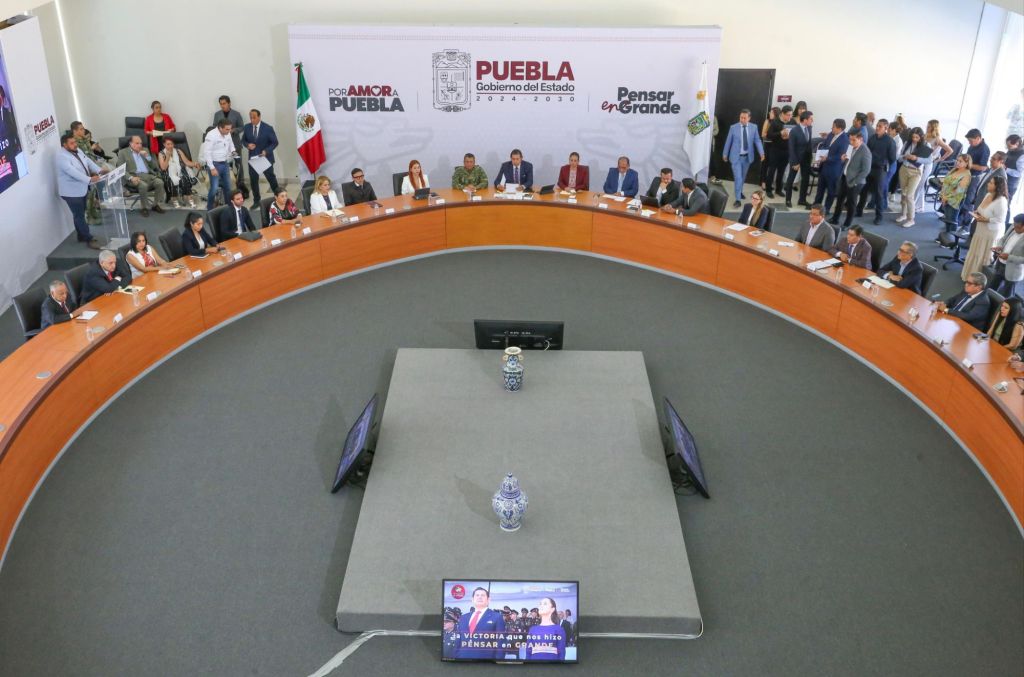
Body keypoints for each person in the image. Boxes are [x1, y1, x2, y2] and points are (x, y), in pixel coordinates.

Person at [56, 132, 104, 249]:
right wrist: (89, 179)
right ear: (64, 145)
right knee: (79, 215)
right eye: (72, 143)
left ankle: (81, 235)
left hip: (81, 188)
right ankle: (88, 238)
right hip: (71, 192)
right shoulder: (61, 157)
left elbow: (88, 161)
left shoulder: (77, 150)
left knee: (79, 214)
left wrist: (100, 170)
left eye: (75, 142)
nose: (75, 144)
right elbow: (72, 172)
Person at [962, 176, 1009, 281]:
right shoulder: (988, 195)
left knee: (983, 254)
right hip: (980, 229)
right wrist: (977, 213)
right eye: (989, 182)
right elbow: (982, 209)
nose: (988, 184)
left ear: (998, 186)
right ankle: (969, 275)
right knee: (975, 251)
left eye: (991, 183)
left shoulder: (1001, 201)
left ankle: (979, 281)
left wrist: (986, 220)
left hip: (990, 232)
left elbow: (1000, 219)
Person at [722, 109, 765, 207]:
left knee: (743, 177)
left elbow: (757, 140)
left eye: (744, 118)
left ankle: (739, 191)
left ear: (749, 118)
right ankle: (738, 199)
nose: (742, 119)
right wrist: (725, 154)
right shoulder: (733, 127)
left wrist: (761, 153)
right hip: (736, 158)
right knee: (738, 178)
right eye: (741, 117)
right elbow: (728, 141)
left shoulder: (754, 127)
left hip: (747, 158)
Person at [860, 119, 898, 225]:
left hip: (881, 169)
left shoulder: (890, 141)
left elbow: (892, 158)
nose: (877, 128)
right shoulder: (872, 138)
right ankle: (859, 211)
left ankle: (879, 216)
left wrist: (882, 161)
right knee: (864, 190)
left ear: (886, 128)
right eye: (877, 125)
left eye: (880, 126)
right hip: (870, 168)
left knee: (879, 193)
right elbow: (867, 151)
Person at [116, 135, 167, 216]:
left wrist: (147, 156)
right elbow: (120, 169)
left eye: (141, 143)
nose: (140, 145)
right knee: (143, 185)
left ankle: (155, 205)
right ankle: (144, 208)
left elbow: (154, 166)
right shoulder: (123, 152)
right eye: (137, 143)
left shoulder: (145, 150)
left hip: (148, 175)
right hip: (134, 177)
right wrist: (131, 178)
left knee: (160, 182)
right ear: (131, 143)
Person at [832, 131, 872, 229]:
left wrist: (854, 182)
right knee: (839, 200)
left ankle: (847, 224)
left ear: (861, 139)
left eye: (854, 140)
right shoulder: (851, 147)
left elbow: (866, 171)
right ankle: (835, 219)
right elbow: (848, 161)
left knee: (851, 203)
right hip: (845, 177)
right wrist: (843, 159)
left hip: (855, 182)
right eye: (850, 139)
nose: (851, 142)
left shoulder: (865, 152)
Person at [241, 109, 280, 208]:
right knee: (253, 181)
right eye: (250, 118)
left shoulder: (268, 128)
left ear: (259, 117)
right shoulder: (247, 127)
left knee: (271, 179)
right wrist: (248, 145)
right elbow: (243, 140)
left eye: (254, 117)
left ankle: (279, 197)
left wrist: (266, 151)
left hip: (265, 158)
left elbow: (275, 142)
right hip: (253, 159)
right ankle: (256, 201)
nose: (252, 120)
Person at [453, 587, 505, 660]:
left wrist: (497, 662)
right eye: (477, 595)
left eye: (482, 595)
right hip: (463, 659)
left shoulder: (497, 617)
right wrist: (456, 657)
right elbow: (458, 641)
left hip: (485, 661)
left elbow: (500, 643)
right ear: (472, 599)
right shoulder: (464, 617)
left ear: (488, 600)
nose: (479, 597)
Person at [895, 127, 931, 228]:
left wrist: (916, 158)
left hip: (916, 172)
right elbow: (899, 158)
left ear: (921, 137)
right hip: (904, 169)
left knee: (909, 196)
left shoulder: (926, 145)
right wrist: (904, 157)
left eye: (917, 137)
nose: (914, 139)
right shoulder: (907, 143)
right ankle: (903, 214)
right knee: (903, 194)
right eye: (913, 137)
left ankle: (911, 219)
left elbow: (929, 160)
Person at [812, 119, 850, 213]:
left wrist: (828, 158)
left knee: (831, 191)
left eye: (833, 127)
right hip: (824, 167)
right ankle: (816, 207)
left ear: (839, 128)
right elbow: (825, 145)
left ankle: (826, 209)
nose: (831, 128)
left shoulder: (845, 140)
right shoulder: (831, 134)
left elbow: (840, 156)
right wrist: (820, 154)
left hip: (834, 170)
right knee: (820, 189)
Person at [917, 120, 954, 213]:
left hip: (928, 163)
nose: (927, 128)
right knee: (919, 184)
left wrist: (940, 159)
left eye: (929, 126)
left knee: (920, 184)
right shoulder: (926, 136)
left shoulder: (937, 139)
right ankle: (920, 206)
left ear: (934, 128)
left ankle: (915, 205)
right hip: (921, 162)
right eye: (927, 126)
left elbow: (950, 150)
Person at [213, 94, 246, 193]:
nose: (222, 106)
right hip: (222, 146)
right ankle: (228, 184)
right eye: (221, 104)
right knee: (227, 165)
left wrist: (233, 130)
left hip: (235, 145)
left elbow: (242, 127)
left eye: (224, 103)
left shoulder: (236, 114)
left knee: (238, 164)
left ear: (229, 103)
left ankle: (241, 183)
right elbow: (214, 127)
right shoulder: (217, 114)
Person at [158, 136, 199, 208]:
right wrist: (167, 157)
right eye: (168, 144)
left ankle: (190, 200)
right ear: (164, 144)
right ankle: (175, 200)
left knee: (184, 179)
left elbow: (186, 162)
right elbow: (163, 168)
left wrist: (195, 164)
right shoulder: (161, 154)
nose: (170, 146)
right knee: (171, 181)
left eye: (171, 144)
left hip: (179, 172)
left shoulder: (178, 151)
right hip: (168, 174)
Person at [203, 119, 235, 210]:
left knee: (228, 187)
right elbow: (207, 153)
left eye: (230, 129)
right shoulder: (211, 135)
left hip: (225, 163)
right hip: (215, 164)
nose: (229, 131)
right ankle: (210, 209)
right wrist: (212, 168)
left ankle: (229, 208)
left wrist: (233, 151)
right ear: (220, 128)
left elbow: (231, 144)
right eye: (227, 129)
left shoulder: (227, 133)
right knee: (214, 188)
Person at [785, 110, 814, 208]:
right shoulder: (794, 131)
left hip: (806, 159)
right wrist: (795, 162)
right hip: (796, 159)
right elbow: (791, 148)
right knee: (791, 179)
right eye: (811, 119)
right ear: (805, 120)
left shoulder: (809, 128)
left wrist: (811, 158)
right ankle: (788, 200)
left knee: (805, 180)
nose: (812, 121)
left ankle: (802, 200)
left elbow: (808, 144)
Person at [991, 213, 1024, 297]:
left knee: (1006, 295)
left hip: (1013, 270)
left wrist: (1009, 257)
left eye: (1018, 227)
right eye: (1014, 225)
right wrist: (999, 246)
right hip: (1000, 264)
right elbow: (1003, 239)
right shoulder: (1013, 226)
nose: (1015, 229)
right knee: (992, 288)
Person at [937, 154, 972, 234]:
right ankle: (946, 235)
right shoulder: (955, 169)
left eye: (960, 161)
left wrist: (946, 198)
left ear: (966, 163)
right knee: (947, 218)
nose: (957, 162)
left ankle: (951, 237)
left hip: (955, 200)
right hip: (945, 196)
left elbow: (959, 190)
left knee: (952, 220)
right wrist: (943, 195)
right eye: (957, 160)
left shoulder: (967, 174)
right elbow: (946, 181)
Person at [764, 105, 793, 198]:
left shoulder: (792, 122)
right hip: (775, 150)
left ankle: (778, 189)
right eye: (788, 115)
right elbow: (769, 135)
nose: (790, 117)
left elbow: (795, 133)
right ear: (782, 114)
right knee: (772, 170)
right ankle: (768, 190)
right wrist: (780, 133)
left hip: (786, 151)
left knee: (782, 171)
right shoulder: (775, 122)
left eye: (791, 115)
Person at [524, 597, 566, 661]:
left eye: (545, 604)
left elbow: (561, 654)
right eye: (540, 604)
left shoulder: (559, 629)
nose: (541, 606)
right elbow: (528, 653)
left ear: (552, 609)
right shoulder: (532, 629)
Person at [759, 106, 778, 191]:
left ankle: (769, 182)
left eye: (772, 112)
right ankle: (763, 182)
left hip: (776, 146)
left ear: (776, 114)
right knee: (765, 164)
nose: (769, 113)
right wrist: (772, 134)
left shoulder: (778, 122)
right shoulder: (767, 121)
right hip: (768, 145)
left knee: (773, 165)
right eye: (770, 112)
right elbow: (763, 135)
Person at [1005, 135, 1023, 219]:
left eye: (1009, 146)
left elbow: (1019, 173)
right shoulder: (1010, 150)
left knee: (1005, 204)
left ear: (1017, 144)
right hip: (1004, 179)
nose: (1008, 148)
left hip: (1011, 183)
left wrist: (1006, 169)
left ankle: (1005, 225)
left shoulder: (1022, 155)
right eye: (1007, 145)